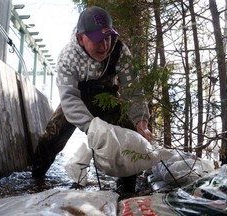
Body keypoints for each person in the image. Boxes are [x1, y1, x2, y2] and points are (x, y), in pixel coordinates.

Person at [32, 6, 153, 193]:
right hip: (76, 99)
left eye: (107, 38)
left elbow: (132, 89)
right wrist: (93, 129)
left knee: (130, 135)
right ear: (81, 38)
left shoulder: (120, 50)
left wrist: (141, 121)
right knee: (51, 137)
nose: (104, 46)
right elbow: (69, 98)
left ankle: (127, 188)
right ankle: (36, 179)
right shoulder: (67, 57)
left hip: (107, 98)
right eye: (97, 40)